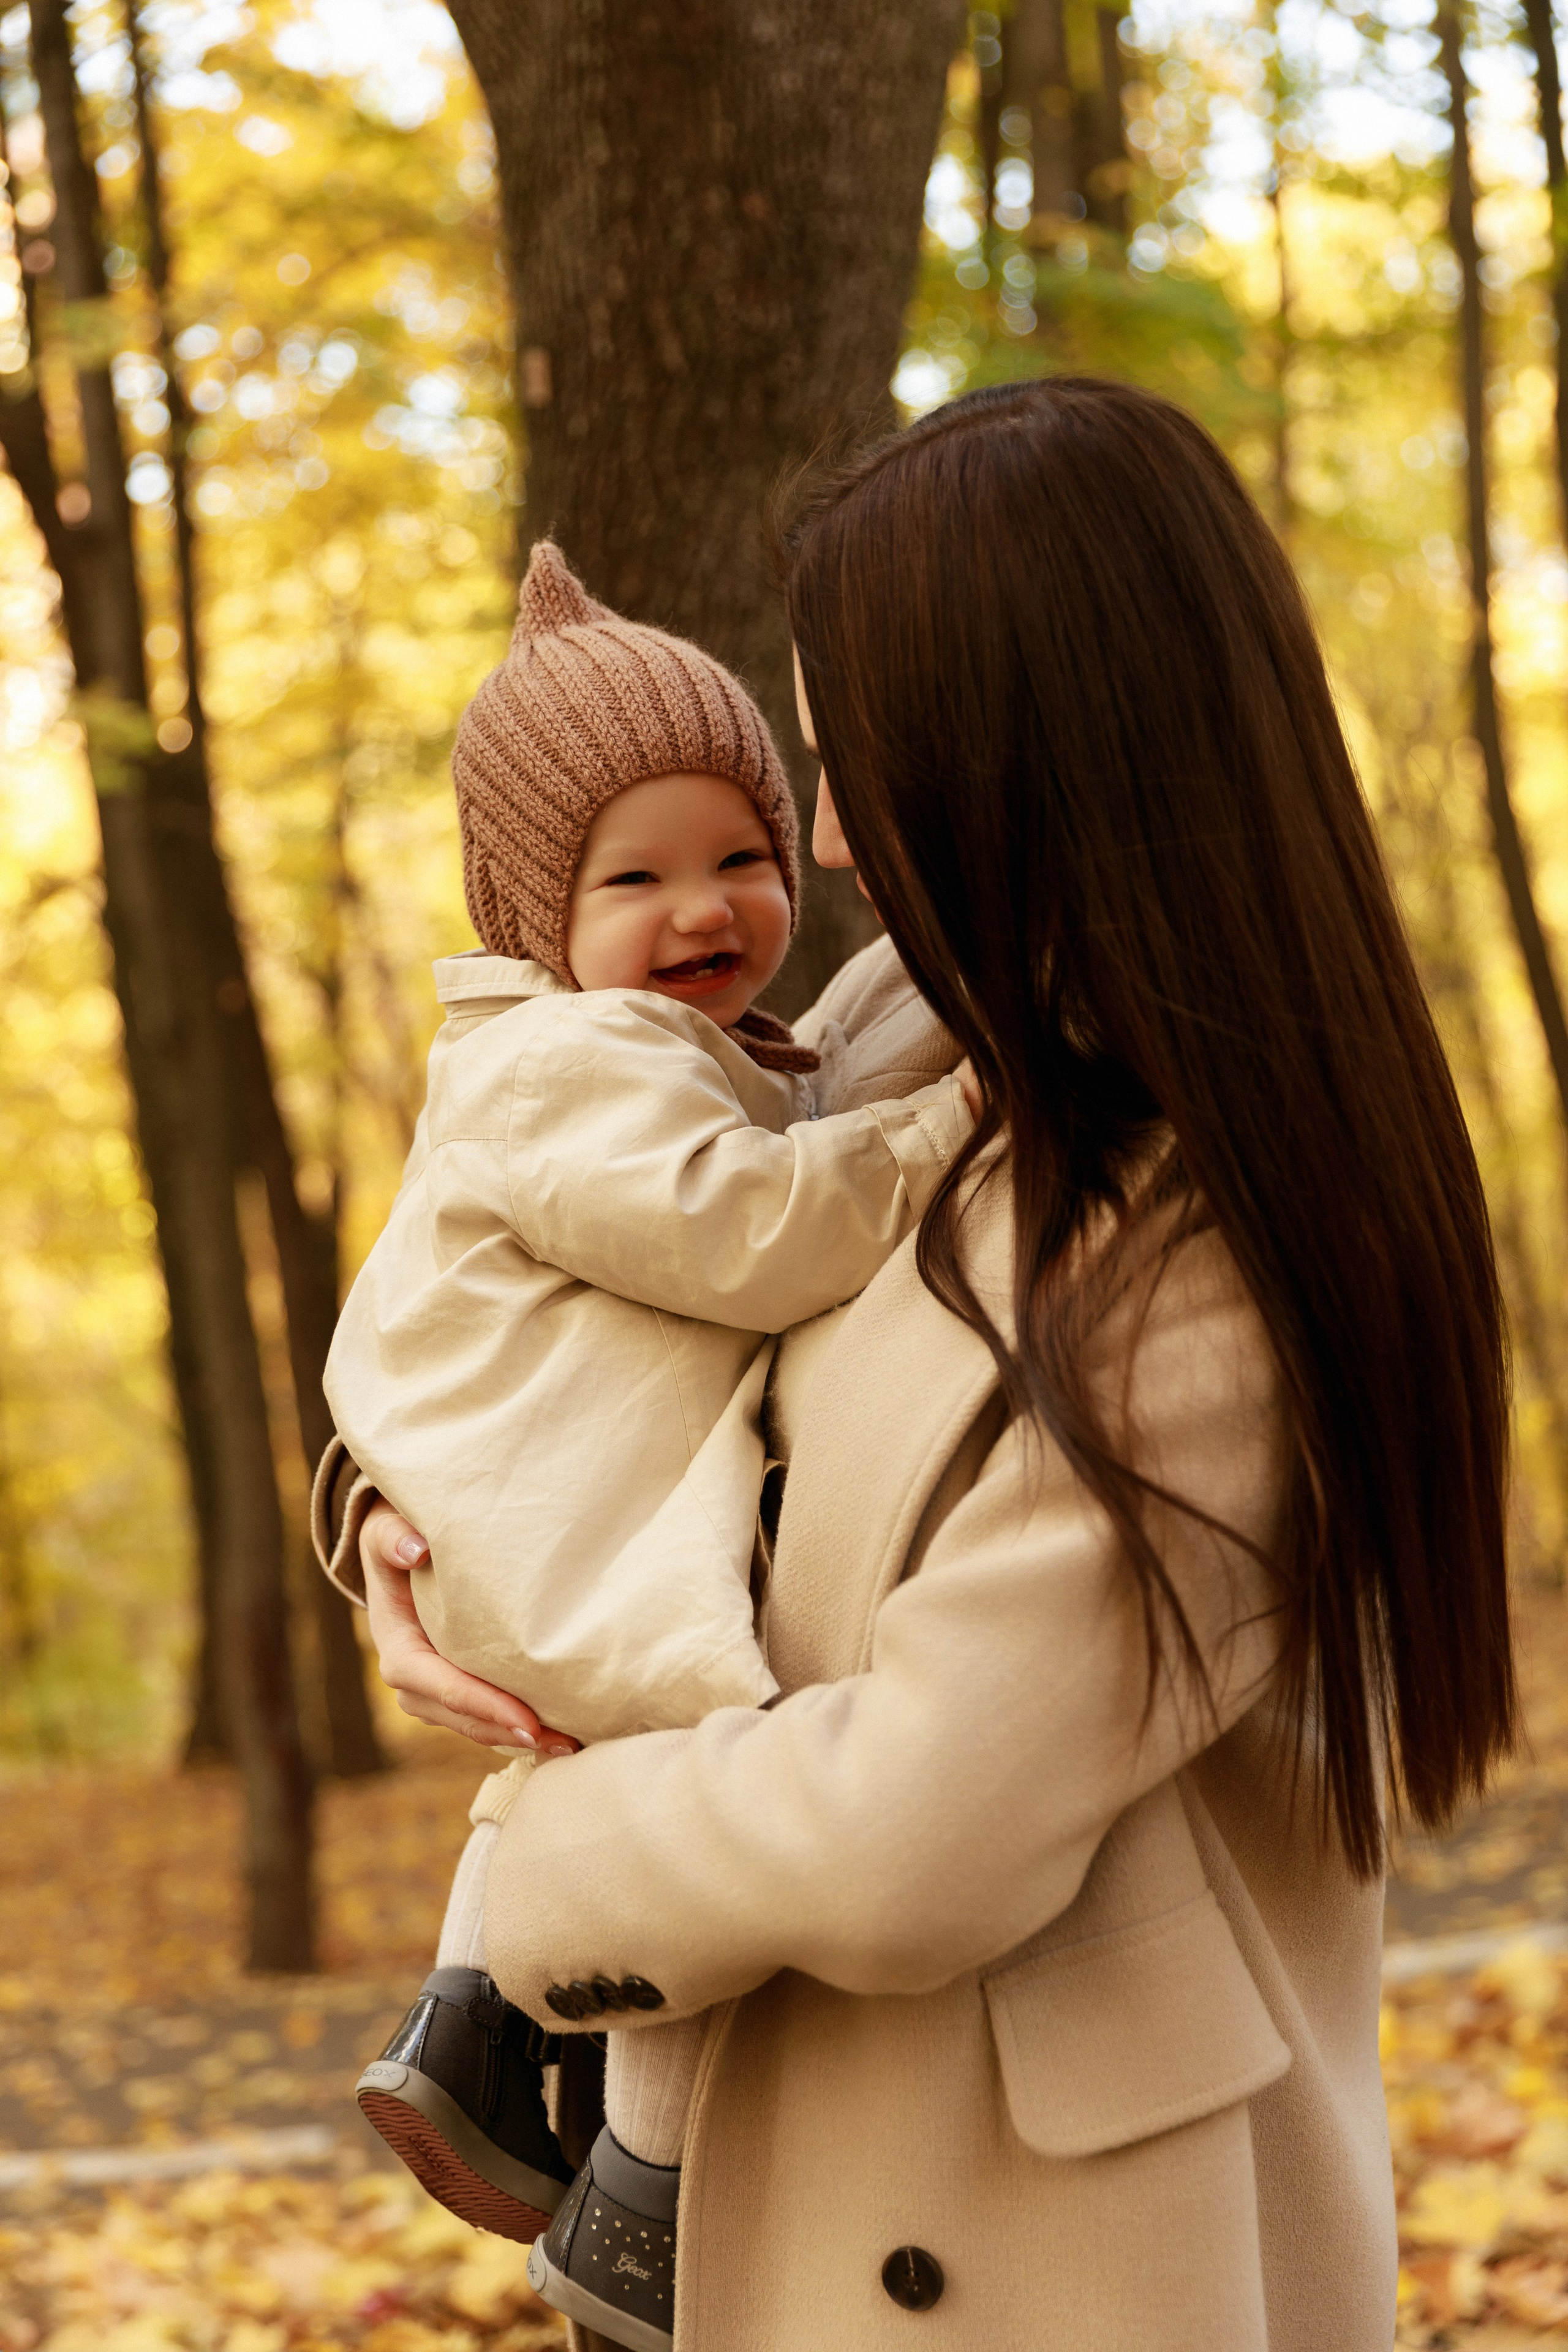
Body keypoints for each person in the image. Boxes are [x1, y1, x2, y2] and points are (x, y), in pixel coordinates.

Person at [347, 377, 1513, 2352]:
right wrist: (392, 1521)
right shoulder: (915, 1041)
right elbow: (586, 1274)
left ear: (1028, 759)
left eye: (846, 763)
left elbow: (921, 1823)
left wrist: (538, 1859)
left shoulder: (1218, 1244)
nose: (817, 836)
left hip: (1056, 2253)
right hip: (804, 2177)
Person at [319, 538, 970, 2271]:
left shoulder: (658, 1050)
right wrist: (946, 1125)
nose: (709, 909)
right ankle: (646, 2191)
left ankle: (469, 2023)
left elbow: (813, 1094)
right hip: (571, 1519)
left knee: (604, 1759)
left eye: (741, 857)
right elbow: (754, 1230)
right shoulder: (577, 1066)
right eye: (638, 879)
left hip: (556, 1510)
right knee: (685, 1789)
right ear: (537, 916)